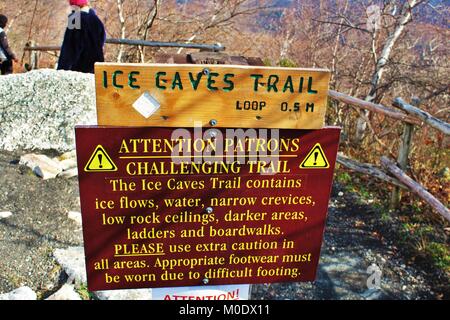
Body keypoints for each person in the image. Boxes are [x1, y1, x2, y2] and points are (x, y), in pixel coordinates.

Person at [58, 0, 106, 73]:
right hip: (96, 68)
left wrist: (62, 69)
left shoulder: (75, 19)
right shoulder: (96, 19)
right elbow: (102, 40)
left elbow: (69, 48)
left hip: (79, 70)